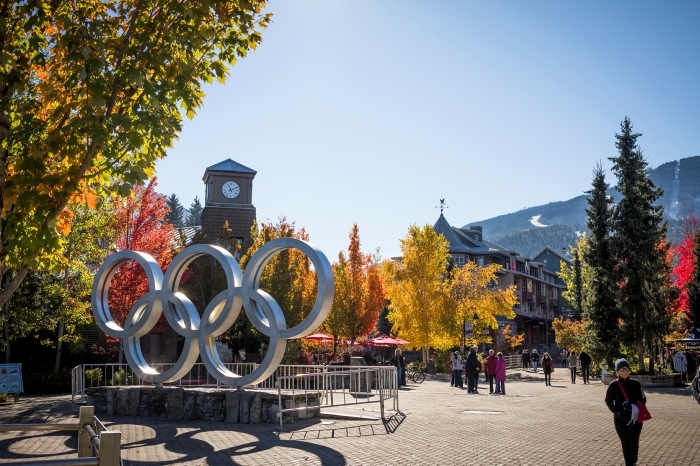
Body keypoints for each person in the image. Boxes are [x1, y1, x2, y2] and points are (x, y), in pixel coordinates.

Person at [605, 358, 647, 466]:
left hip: (636, 418)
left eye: (627, 369)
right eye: (622, 369)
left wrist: (635, 407)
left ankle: (633, 461)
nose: (625, 371)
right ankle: (629, 464)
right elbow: (608, 400)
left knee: (634, 442)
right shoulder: (613, 385)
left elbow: (643, 398)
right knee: (626, 442)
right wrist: (616, 411)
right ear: (617, 371)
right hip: (621, 419)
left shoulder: (636, 384)